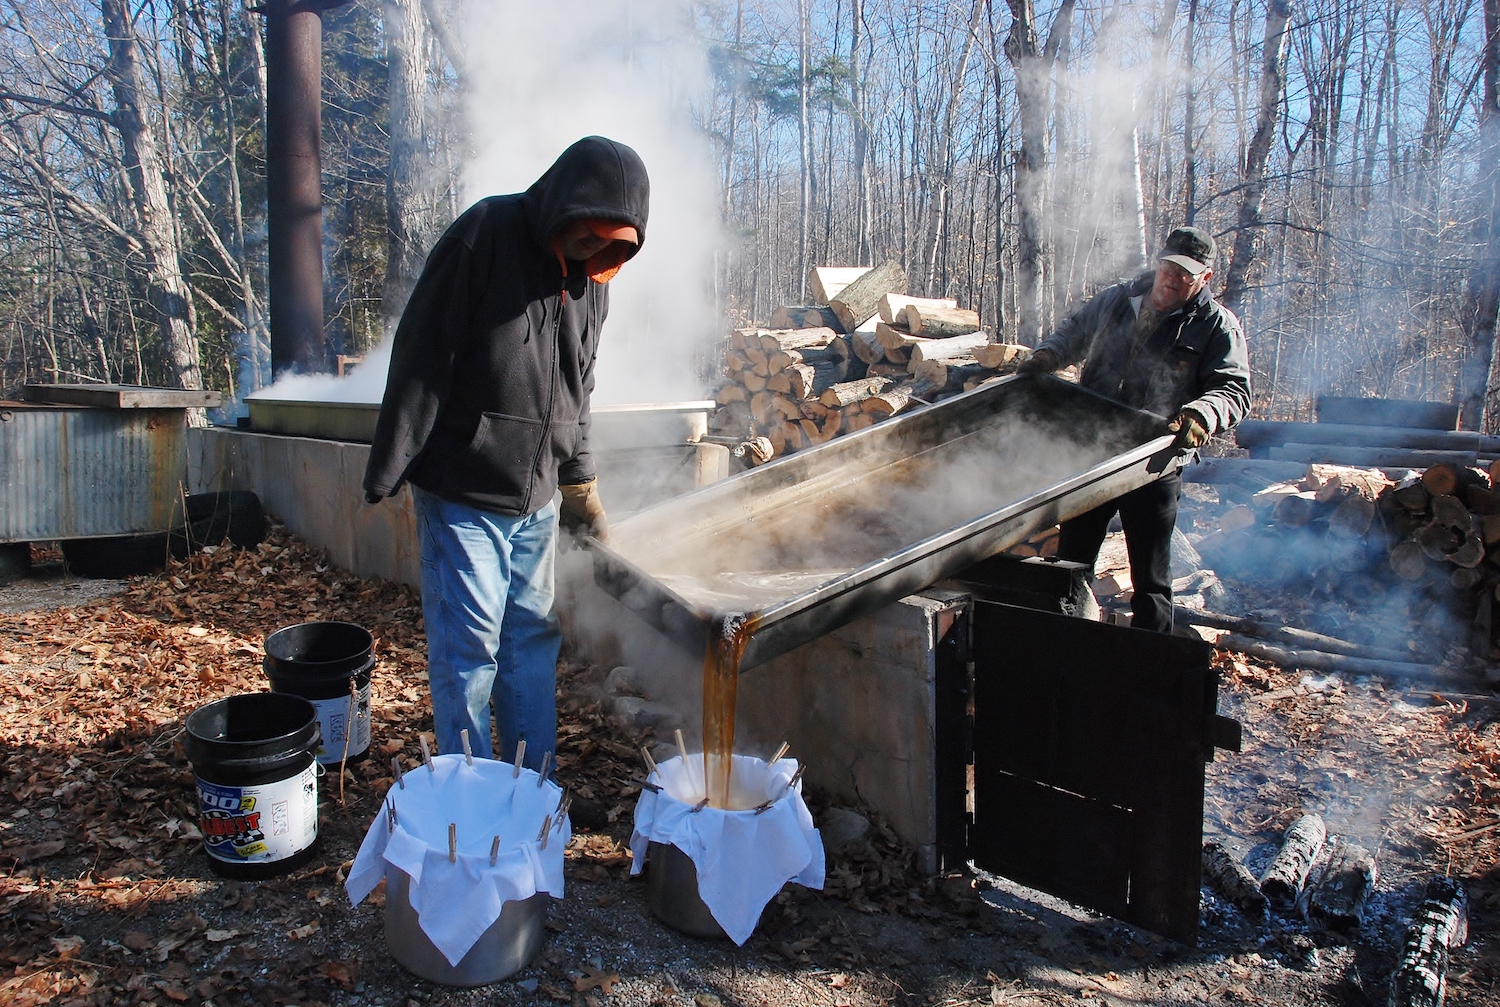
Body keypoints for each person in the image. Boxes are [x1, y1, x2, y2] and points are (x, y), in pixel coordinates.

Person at [362, 136, 649, 783]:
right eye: (589, 237)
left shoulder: (593, 281)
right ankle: (471, 797)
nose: (595, 255)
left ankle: (531, 791)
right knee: (471, 653)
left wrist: (582, 485)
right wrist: (391, 462)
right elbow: (422, 347)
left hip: (536, 502)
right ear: (563, 205)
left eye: (614, 247)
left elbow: (581, 386)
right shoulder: (487, 233)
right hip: (464, 492)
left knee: (530, 642)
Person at [1017, 226, 1250, 633]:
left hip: (1154, 460)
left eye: (1186, 274)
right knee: (1070, 566)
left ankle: (1149, 665)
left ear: (1205, 278)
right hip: (1093, 452)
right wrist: (1048, 355)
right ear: (1159, 263)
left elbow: (1233, 390)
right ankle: (1068, 647)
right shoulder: (1118, 300)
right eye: (1169, 268)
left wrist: (1202, 414)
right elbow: (1075, 331)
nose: (1173, 279)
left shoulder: (1216, 326)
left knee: (1152, 583)